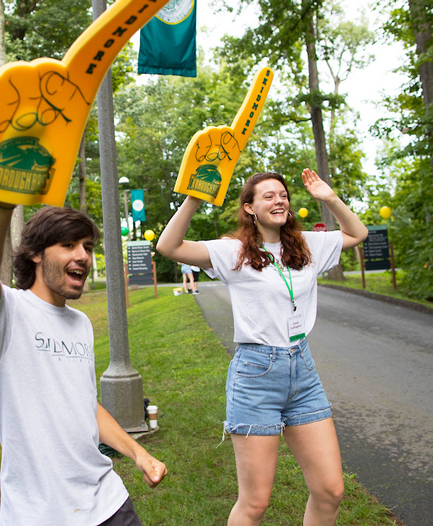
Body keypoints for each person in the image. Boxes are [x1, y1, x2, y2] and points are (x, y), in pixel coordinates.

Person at [156, 169, 367, 526]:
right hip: (256, 375)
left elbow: (357, 233)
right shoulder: (233, 252)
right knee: (255, 503)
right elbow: (168, 247)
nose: (279, 200)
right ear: (250, 207)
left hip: (303, 372)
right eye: (268, 196)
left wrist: (328, 197)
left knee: (331, 490)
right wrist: (195, 196)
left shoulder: (308, 246)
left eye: (282, 194)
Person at [0, 201, 168, 526]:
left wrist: (138, 454)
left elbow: (86, 404)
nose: (83, 256)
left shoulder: (81, 324)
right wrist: (2, 205)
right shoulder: (9, 310)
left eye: (87, 247)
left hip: (108, 502)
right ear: (35, 253)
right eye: (68, 245)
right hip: (38, 514)